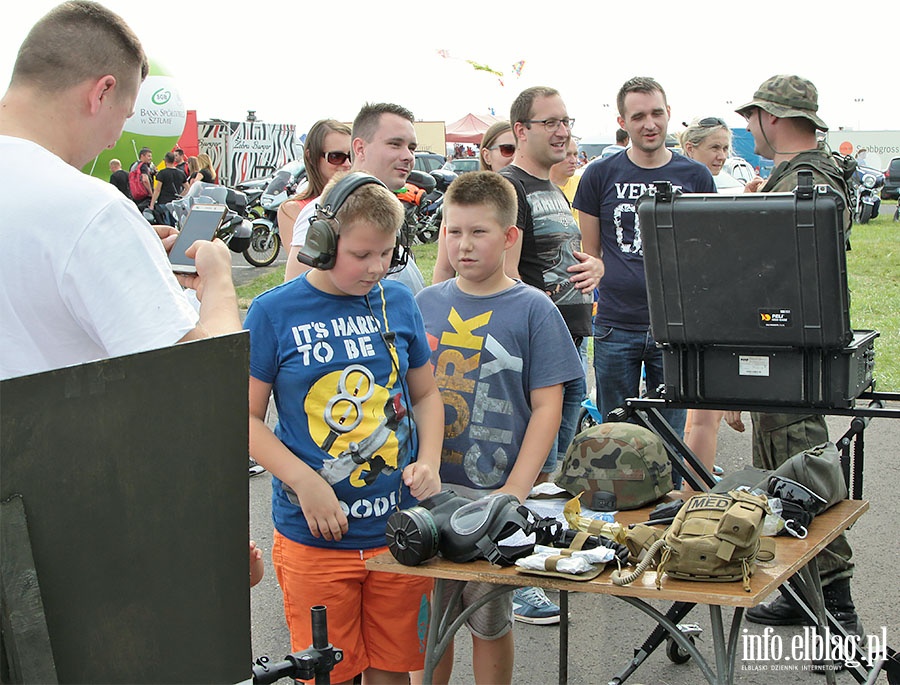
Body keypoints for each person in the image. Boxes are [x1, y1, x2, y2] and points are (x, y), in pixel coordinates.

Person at [244, 171, 443, 685]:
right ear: (322, 243)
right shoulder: (273, 312)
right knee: (326, 676)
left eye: (387, 254)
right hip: (315, 540)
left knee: (391, 673)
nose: (376, 268)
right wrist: (305, 481)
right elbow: (242, 419)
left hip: (397, 533)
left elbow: (424, 394)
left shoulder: (397, 302)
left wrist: (430, 461)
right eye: (361, 255)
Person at [0, 1, 240, 380]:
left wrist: (134, 248)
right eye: (125, 115)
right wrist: (220, 283)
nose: (113, 143)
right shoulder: (90, 210)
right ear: (102, 92)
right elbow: (203, 380)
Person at [416, 171, 583, 685]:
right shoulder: (423, 303)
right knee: (428, 627)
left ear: (510, 236)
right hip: (428, 496)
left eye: (479, 232)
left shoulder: (534, 308)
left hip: (494, 498)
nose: (464, 245)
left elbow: (548, 408)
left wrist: (515, 491)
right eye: (454, 230)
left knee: (488, 620)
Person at [725, 74, 862, 639]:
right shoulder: (812, 175)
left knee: (799, 483)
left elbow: (779, 283)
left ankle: (840, 616)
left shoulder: (802, 180)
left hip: (786, 355)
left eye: (751, 117)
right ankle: (802, 597)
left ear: (771, 118)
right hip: (789, 353)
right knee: (785, 474)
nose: (747, 127)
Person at [573, 77, 716, 468]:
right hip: (616, 324)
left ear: (669, 114)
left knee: (669, 440)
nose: (649, 124)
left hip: (675, 328)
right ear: (623, 121)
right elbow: (591, 253)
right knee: (616, 438)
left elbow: (706, 254)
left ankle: (665, 515)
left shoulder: (697, 177)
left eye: (656, 113)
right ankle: (617, 518)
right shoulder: (598, 175)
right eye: (638, 116)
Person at [499, 86, 601, 625]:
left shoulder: (554, 188)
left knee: (553, 470)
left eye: (566, 120)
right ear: (521, 131)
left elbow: (568, 260)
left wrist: (596, 271)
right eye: (550, 122)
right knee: (534, 467)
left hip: (570, 343)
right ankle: (517, 580)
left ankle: (537, 560)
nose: (563, 131)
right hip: (539, 355)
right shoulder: (511, 189)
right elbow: (511, 278)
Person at [677, 117, 763, 482]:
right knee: (703, 416)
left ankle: (690, 488)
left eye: (726, 148)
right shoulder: (691, 189)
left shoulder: (711, 185)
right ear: (690, 148)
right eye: (714, 147)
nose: (722, 155)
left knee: (697, 416)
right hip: (702, 309)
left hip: (701, 307)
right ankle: (695, 496)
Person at [284, 103, 426, 294]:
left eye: (412, 148)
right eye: (395, 144)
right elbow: (298, 297)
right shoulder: (328, 210)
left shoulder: (388, 208)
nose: (408, 156)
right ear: (359, 148)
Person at [432, 120, 515, 284]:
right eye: (507, 149)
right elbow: (444, 268)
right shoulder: (462, 203)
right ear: (486, 155)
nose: (515, 157)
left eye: (520, 150)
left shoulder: (537, 195)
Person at [277, 119, 351, 263]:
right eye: (336, 157)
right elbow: (302, 266)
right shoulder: (292, 210)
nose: (347, 164)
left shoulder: (363, 199)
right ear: (311, 157)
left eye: (351, 156)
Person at [149, 150, 188, 226]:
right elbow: (187, 188)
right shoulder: (181, 173)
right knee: (176, 223)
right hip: (175, 203)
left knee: (166, 224)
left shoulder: (162, 173)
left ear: (165, 161)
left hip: (164, 202)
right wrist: (180, 196)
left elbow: (157, 190)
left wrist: (152, 204)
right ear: (174, 160)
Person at [131, 145, 155, 210]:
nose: (150, 158)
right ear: (142, 156)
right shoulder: (143, 166)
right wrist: (151, 193)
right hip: (144, 194)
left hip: (135, 194)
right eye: (149, 156)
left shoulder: (133, 165)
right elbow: (145, 180)